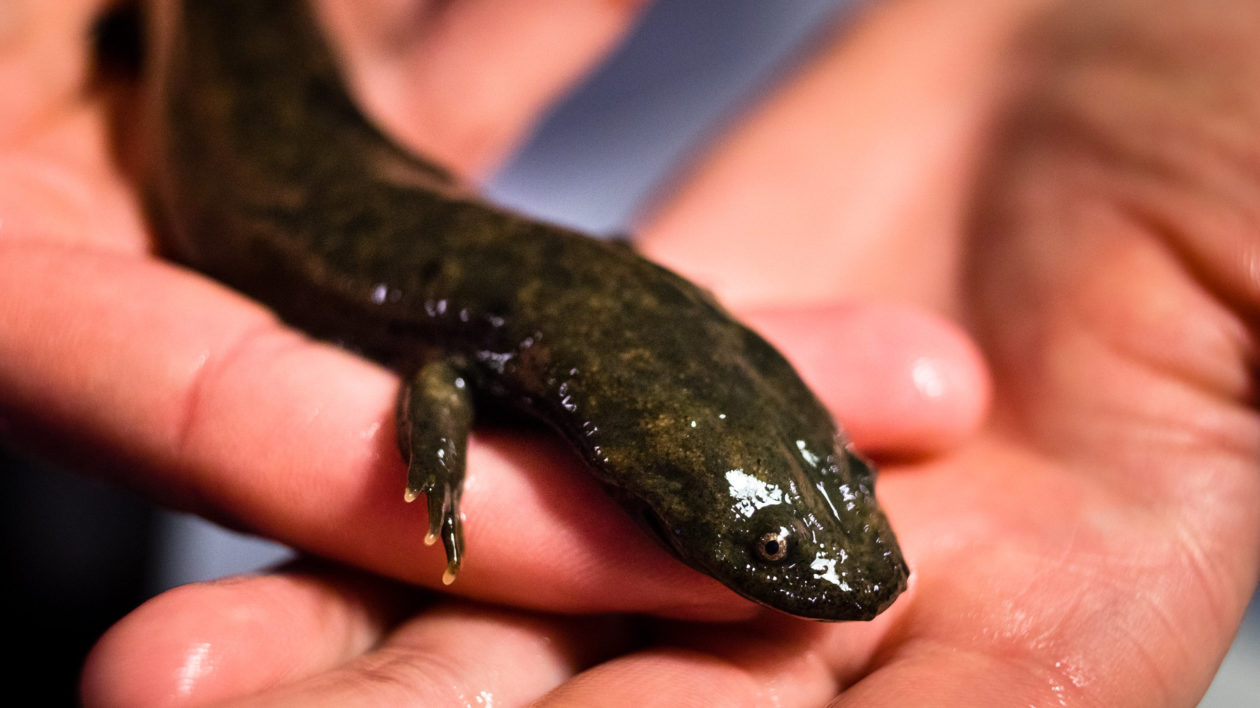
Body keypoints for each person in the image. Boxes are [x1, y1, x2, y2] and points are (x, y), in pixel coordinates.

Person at [1, 0, 1255, 704]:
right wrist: (428, 467)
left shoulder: (605, 331)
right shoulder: (528, 352)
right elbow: (437, 376)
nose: (844, 559)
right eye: (770, 544)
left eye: (840, 481)